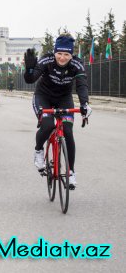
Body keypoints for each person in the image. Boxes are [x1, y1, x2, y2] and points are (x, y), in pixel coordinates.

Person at [24, 34, 91, 189]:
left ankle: (71, 172)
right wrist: (29, 69)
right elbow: (30, 80)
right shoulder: (46, 60)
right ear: (54, 52)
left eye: (66, 54)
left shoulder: (77, 64)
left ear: (71, 54)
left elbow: (81, 85)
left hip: (64, 98)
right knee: (47, 126)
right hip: (43, 96)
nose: (62, 58)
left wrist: (85, 104)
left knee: (68, 131)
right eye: (59, 53)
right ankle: (39, 150)